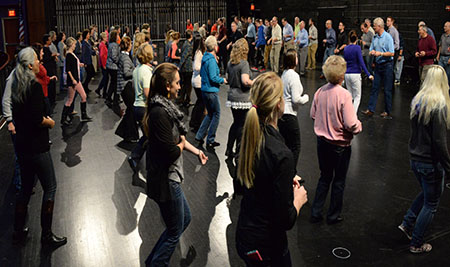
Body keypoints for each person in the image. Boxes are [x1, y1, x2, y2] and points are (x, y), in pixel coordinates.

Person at [236, 71, 308, 266]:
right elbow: (286, 219)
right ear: (279, 104)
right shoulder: (282, 154)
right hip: (267, 246)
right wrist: (298, 201)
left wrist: (282, 180)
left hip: (246, 234)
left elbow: (247, 182)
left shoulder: (249, 135)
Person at [143, 63, 208, 266]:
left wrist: (197, 152)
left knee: (183, 220)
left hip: (170, 177)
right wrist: (180, 145)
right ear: (167, 85)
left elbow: (178, 141)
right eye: (177, 83)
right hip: (167, 179)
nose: (180, 86)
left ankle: (152, 261)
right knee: (174, 230)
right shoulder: (159, 113)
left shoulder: (165, 109)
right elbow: (172, 151)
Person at [11, 47, 67, 248]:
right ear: (29, 65)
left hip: (23, 146)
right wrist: (50, 123)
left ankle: (18, 231)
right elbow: (36, 119)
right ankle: (47, 236)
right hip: (37, 146)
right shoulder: (33, 87)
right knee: (50, 187)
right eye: (36, 59)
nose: (39, 61)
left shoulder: (16, 85)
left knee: (25, 188)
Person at [398, 65, 450, 254]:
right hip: (430, 163)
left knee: (427, 194)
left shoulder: (417, 101)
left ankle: (408, 222)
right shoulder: (440, 106)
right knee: (432, 203)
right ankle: (417, 243)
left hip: (415, 159)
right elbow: (439, 142)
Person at [310, 55, 362, 225]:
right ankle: (333, 216)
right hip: (340, 146)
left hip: (322, 143)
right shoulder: (345, 95)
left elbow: (312, 114)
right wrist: (358, 126)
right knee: (338, 181)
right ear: (341, 75)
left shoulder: (320, 91)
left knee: (324, 177)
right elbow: (351, 124)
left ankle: (316, 212)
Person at [279, 49, 309, 172]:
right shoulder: (294, 76)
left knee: (285, 144)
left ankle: (285, 171)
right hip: (290, 115)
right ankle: (291, 173)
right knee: (295, 146)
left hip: (281, 115)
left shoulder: (284, 74)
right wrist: (306, 98)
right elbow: (296, 99)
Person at [195, 36, 227, 148]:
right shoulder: (211, 60)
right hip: (211, 91)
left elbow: (202, 74)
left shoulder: (205, 58)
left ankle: (199, 135)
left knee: (210, 114)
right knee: (216, 114)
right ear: (214, 47)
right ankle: (210, 139)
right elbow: (213, 77)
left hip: (204, 89)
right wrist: (223, 80)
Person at [127, 43, 154, 173]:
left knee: (147, 136)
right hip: (144, 107)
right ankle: (149, 165)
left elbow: (133, 87)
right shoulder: (146, 71)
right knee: (151, 138)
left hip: (137, 106)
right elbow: (148, 93)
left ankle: (135, 157)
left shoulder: (137, 69)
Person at [225, 38, 254, 159]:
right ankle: (239, 152)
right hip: (243, 98)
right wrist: (255, 82)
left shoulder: (230, 63)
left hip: (232, 97)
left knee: (236, 123)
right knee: (242, 125)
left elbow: (227, 79)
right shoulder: (244, 64)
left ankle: (229, 148)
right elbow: (245, 81)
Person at [362, 17, 395, 119]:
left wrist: (380, 53)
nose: (373, 28)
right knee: (374, 88)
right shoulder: (375, 38)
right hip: (378, 65)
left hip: (387, 65)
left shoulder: (388, 37)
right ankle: (371, 109)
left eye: (375, 26)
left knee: (387, 89)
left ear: (379, 26)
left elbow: (392, 53)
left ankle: (387, 111)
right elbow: (372, 48)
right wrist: (372, 52)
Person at [61, 37, 92, 125]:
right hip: (73, 81)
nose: (75, 46)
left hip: (76, 80)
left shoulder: (71, 54)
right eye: (74, 44)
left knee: (83, 96)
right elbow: (68, 69)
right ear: (71, 45)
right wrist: (73, 79)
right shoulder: (69, 55)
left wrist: (79, 64)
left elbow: (73, 65)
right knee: (70, 100)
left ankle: (84, 115)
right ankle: (63, 119)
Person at [344, 31, 373, 113]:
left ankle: (347, 113)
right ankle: (353, 115)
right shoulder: (357, 48)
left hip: (347, 74)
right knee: (357, 96)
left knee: (350, 96)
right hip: (355, 74)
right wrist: (368, 74)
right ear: (356, 39)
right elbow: (361, 62)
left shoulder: (346, 48)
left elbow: (345, 62)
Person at [32, 43, 58, 116]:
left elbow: (43, 77)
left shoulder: (40, 64)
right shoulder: (36, 66)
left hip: (44, 91)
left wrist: (50, 78)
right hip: (41, 93)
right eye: (41, 52)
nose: (43, 53)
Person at [189, 37, 207, 133]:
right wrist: (205, 67)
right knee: (201, 103)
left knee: (199, 102)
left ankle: (194, 122)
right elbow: (196, 67)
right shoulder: (199, 53)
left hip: (196, 80)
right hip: (198, 80)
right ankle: (196, 123)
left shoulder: (195, 52)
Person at [42, 34, 58, 112]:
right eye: (49, 39)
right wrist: (53, 56)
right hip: (49, 69)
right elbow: (46, 59)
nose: (50, 41)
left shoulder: (48, 48)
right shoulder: (45, 49)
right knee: (51, 86)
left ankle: (53, 100)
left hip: (52, 68)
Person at [179, 30, 194, 106]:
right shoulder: (188, 45)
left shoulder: (185, 43)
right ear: (191, 35)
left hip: (185, 67)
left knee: (185, 84)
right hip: (187, 67)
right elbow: (184, 56)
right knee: (187, 85)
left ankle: (183, 100)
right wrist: (179, 66)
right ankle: (186, 100)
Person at [106, 30, 121, 108]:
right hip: (113, 67)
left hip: (110, 66)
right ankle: (115, 100)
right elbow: (114, 57)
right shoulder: (114, 45)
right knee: (115, 84)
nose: (119, 37)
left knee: (112, 83)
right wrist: (120, 59)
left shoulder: (111, 44)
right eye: (118, 35)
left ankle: (109, 97)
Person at [81, 29, 96, 93]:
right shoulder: (84, 43)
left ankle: (85, 85)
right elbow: (83, 53)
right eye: (88, 34)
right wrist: (84, 63)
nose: (89, 35)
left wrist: (94, 51)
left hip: (89, 60)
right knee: (90, 74)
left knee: (92, 73)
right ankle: (84, 85)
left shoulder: (88, 42)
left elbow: (90, 50)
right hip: (87, 61)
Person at [96, 32, 109, 97]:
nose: (107, 38)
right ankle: (100, 90)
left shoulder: (102, 44)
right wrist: (104, 65)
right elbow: (101, 56)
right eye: (106, 37)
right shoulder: (102, 45)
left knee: (105, 78)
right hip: (104, 64)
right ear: (103, 38)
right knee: (105, 78)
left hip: (104, 64)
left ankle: (102, 91)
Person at [437, 21, 450, 87]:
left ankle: (447, 88)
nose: (444, 27)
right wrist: (438, 55)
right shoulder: (443, 36)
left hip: (448, 57)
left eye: (445, 26)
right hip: (441, 57)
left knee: (447, 75)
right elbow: (440, 45)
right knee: (439, 73)